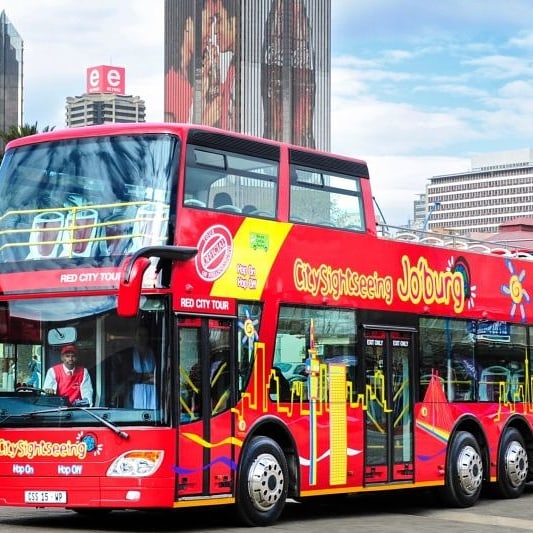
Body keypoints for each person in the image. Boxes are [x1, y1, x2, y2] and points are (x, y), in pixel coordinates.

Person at [112, 325, 157, 410]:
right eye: (139, 335)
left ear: (148, 337)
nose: (142, 338)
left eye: (144, 335)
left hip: (152, 393)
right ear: (135, 337)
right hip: (132, 395)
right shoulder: (128, 354)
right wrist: (149, 378)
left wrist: (140, 377)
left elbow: (158, 376)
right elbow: (127, 377)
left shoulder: (153, 353)